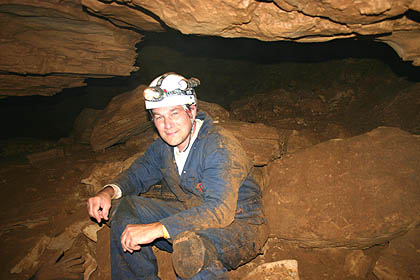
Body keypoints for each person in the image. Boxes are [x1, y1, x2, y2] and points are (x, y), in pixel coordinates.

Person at [87, 72, 268, 279]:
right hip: (192, 213)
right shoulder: (164, 147)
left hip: (239, 227)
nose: (167, 125)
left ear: (191, 111)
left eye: (174, 113)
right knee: (124, 207)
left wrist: (159, 229)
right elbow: (137, 175)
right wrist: (107, 192)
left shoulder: (218, 146)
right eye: (159, 117)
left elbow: (220, 211)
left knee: (190, 251)